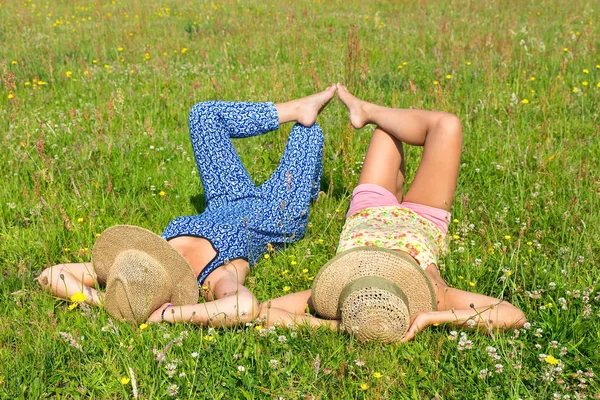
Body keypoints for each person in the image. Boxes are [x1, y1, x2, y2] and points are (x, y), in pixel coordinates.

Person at [37, 85, 338, 327]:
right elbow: (243, 308)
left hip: (226, 198)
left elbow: (52, 274)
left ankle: (297, 106)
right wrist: (165, 314)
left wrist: (107, 301)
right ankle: (309, 189)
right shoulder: (214, 277)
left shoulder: (136, 264)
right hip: (275, 212)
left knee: (203, 116)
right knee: (307, 133)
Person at [258, 83, 526, 341]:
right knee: (447, 125)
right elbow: (513, 315)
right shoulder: (433, 294)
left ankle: (366, 111)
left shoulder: (339, 289)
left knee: (386, 131)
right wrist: (430, 318)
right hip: (424, 218)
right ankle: (368, 111)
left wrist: (335, 325)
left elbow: (262, 312)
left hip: (370, 211)